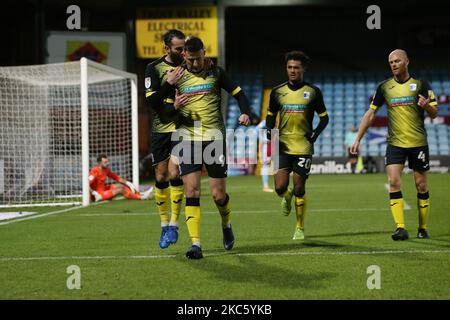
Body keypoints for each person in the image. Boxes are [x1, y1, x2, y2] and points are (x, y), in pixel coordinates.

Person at [173, 36, 252, 259]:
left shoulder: (217, 72)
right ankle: (195, 245)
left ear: (204, 53)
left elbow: (239, 94)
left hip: (214, 138)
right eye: (191, 60)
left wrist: (245, 111)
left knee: (218, 195)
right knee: (191, 190)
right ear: (184, 55)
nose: (195, 64)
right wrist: (173, 102)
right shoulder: (176, 76)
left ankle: (226, 224)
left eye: (199, 59)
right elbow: (161, 106)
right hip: (188, 138)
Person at [350, 49, 438, 241]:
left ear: (407, 61)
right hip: (395, 143)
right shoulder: (384, 87)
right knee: (393, 182)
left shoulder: (421, 85)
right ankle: (400, 228)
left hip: (418, 143)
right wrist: (358, 138)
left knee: (421, 186)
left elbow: (434, 114)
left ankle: (422, 228)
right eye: (391, 62)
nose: (394, 64)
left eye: (397, 61)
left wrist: (427, 106)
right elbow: (370, 114)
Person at [266, 51, 329, 240]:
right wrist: (269, 131)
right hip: (282, 145)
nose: (292, 71)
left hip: (303, 146)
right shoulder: (277, 92)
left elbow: (324, 118)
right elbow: (270, 116)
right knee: (279, 188)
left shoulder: (313, 92)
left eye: (296, 67)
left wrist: (315, 134)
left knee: (300, 189)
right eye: (289, 67)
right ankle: (286, 196)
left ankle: (299, 228)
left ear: (303, 69)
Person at [144, 29, 186, 249]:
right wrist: (169, 83)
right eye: (179, 48)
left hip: (183, 128)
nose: (183, 51)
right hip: (161, 129)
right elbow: (152, 103)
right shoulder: (153, 68)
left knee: (174, 171)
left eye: (184, 47)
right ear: (167, 48)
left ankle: (174, 224)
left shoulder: (190, 67)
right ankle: (163, 225)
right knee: (160, 175)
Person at [89, 154, 153, 202]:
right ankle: (141, 197)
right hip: (97, 195)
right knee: (121, 190)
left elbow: (117, 178)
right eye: (105, 162)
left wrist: (128, 183)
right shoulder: (95, 170)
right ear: (99, 163)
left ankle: (139, 194)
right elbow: (87, 183)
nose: (107, 163)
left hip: (103, 190)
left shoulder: (106, 170)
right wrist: (93, 193)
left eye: (107, 162)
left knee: (121, 186)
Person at [257, 119, 274, 192]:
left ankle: (267, 185)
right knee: (265, 166)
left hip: (270, 147)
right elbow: (257, 129)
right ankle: (265, 186)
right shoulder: (265, 122)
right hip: (265, 149)